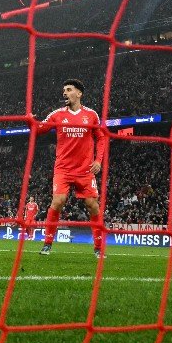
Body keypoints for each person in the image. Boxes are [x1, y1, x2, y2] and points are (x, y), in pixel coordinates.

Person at [34, 79, 107, 258]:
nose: (64, 93)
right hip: (63, 169)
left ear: (79, 93)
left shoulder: (91, 115)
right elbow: (39, 130)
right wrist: (30, 121)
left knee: (93, 205)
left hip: (85, 170)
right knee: (58, 201)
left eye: (68, 90)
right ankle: (47, 244)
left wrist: (98, 160)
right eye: (64, 90)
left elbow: (101, 138)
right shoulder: (57, 114)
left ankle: (98, 248)